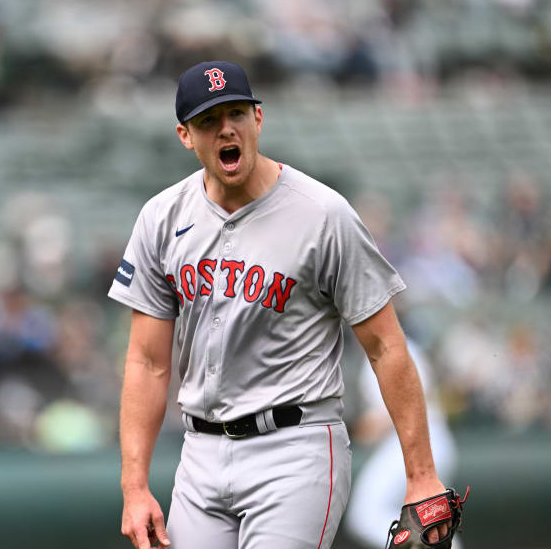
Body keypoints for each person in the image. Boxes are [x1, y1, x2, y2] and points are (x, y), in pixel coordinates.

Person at [108, 61, 450, 549]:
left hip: (296, 447)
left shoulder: (323, 214)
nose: (226, 128)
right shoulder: (161, 218)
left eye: (236, 113)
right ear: (185, 136)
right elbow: (146, 362)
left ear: (258, 118)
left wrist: (421, 476)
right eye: (209, 120)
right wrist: (135, 486)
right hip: (199, 454)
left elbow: (386, 347)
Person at [344, 338, 460, 549]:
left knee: (365, 515)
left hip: (414, 443)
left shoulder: (389, 348)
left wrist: (351, 431)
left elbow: (388, 417)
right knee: (424, 518)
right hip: (430, 442)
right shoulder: (403, 346)